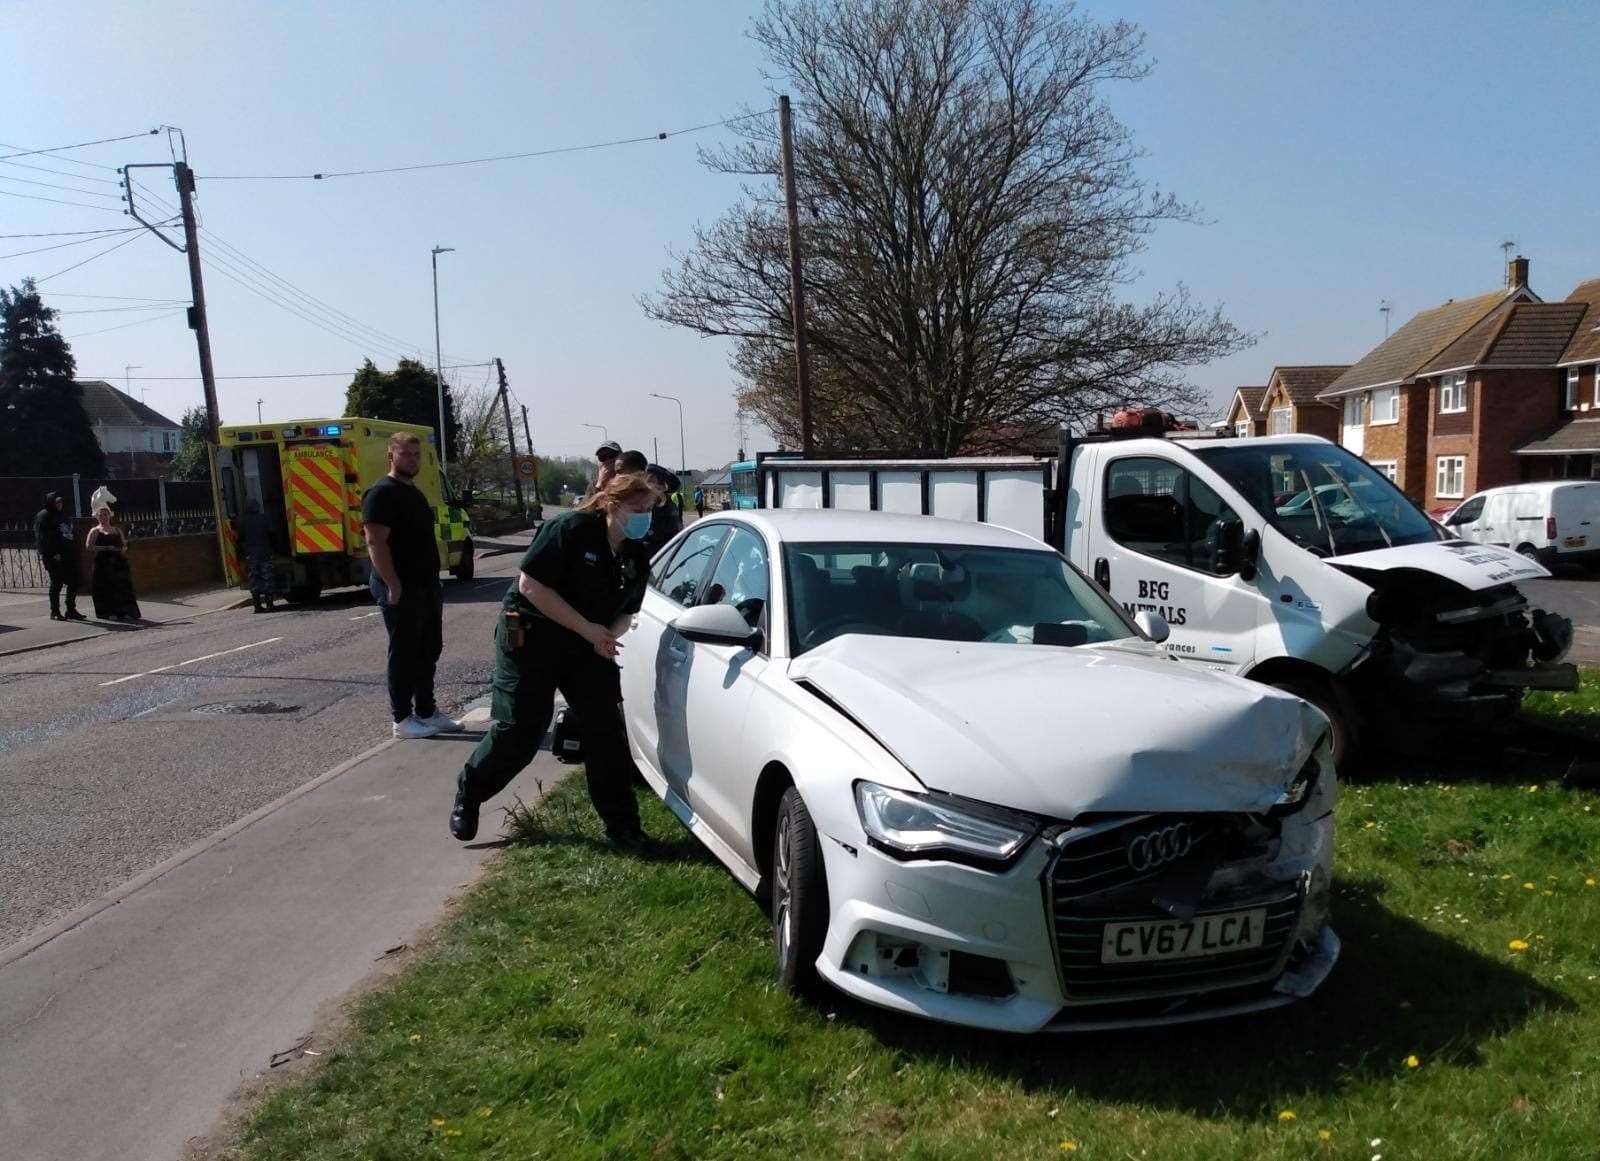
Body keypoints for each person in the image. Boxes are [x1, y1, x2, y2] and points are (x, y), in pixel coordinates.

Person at [449, 471, 661, 848]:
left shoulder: (634, 554)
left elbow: (629, 609)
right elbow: (530, 586)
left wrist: (608, 636)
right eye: (637, 508)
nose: (645, 516)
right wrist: (588, 630)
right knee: (523, 729)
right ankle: (470, 793)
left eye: (649, 509)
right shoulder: (570, 529)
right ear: (612, 504)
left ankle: (623, 827)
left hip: (587, 642)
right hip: (533, 636)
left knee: (605, 732)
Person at [362, 432, 460, 740]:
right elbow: (375, 542)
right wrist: (392, 584)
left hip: (426, 584)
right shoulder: (381, 493)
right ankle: (402, 719)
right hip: (400, 586)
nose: (412, 460)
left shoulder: (414, 493)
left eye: (416, 454)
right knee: (404, 652)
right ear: (390, 456)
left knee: (429, 648)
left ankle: (427, 711)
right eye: (406, 454)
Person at [86, 503, 141, 623]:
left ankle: (126, 612)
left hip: (118, 562)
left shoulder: (117, 529)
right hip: (103, 563)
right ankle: (108, 612)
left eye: (106, 515)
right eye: (101, 515)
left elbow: (124, 544)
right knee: (106, 588)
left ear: (109, 516)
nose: (104, 517)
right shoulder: (95, 531)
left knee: (122, 587)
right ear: (98, 517)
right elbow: (89, 547)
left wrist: (123, 548)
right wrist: (104, 548)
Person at [34, 491, 85, 621]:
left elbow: (67, 532)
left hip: (67, 554)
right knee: (56, 583)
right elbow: (42, 538)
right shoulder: (44, 516)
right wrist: (52, 553)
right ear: (51, 502)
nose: (60, 504)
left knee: (74, 580)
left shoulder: (61, 515)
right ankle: (55, 611)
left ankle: (71, 609)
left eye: (61, 502)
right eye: (57, 502)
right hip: (54, 556)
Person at [237, 498, 276, 613]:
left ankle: (257, 605)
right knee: (267, 577)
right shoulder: (264, 519)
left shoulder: (243, 521)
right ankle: (269, 604)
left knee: (254, 579)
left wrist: (242, 554)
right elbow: (272, 533)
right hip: (264, 553)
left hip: (251, 555)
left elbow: (240, 539)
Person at [641, 464, 683, 557]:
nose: (647, 484)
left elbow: (676, 537)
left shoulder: (669, 508)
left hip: (661, 559)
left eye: (651, 480)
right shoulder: (640, 505)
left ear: (663, 487)